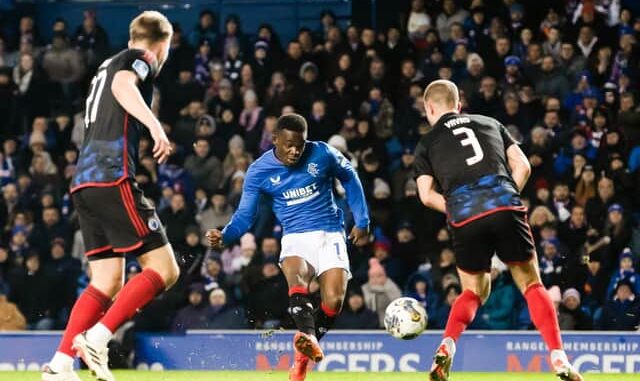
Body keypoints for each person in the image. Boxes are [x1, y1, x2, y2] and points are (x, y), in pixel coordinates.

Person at [414, 80, 582, 381]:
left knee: (474, 290)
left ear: (429, 108)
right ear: (458, 105)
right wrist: (505, 196)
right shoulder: (490, 122)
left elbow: (425, 196)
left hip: (464, 214)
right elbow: (524, 166)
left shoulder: (426, 144)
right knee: (531, 284)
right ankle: (559, 358)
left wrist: (456, 207)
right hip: (504, 203)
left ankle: (447, 345)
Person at [42, 12, 179, 381]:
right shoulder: (141, 58)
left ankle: (58, 367)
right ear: (162, 43)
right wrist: (154, 126)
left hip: (84, 183)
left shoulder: (105, 63)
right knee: (165, 270)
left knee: (106, 281)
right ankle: (99, 338)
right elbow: (123, 86)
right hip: (111, 176)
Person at [207, 113, 369, 381]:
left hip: (330, 234)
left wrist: (362, 219)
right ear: (275, 140)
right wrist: (226, 235)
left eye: (300, 145)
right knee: (298, 282)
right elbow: (246, 216)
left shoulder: (323, 153)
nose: (295, 151)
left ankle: (301, 360)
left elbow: (350, 177)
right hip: (295, 236)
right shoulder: (259, 170)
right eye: (288, 145)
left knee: (333, 302)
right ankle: (308, 340)